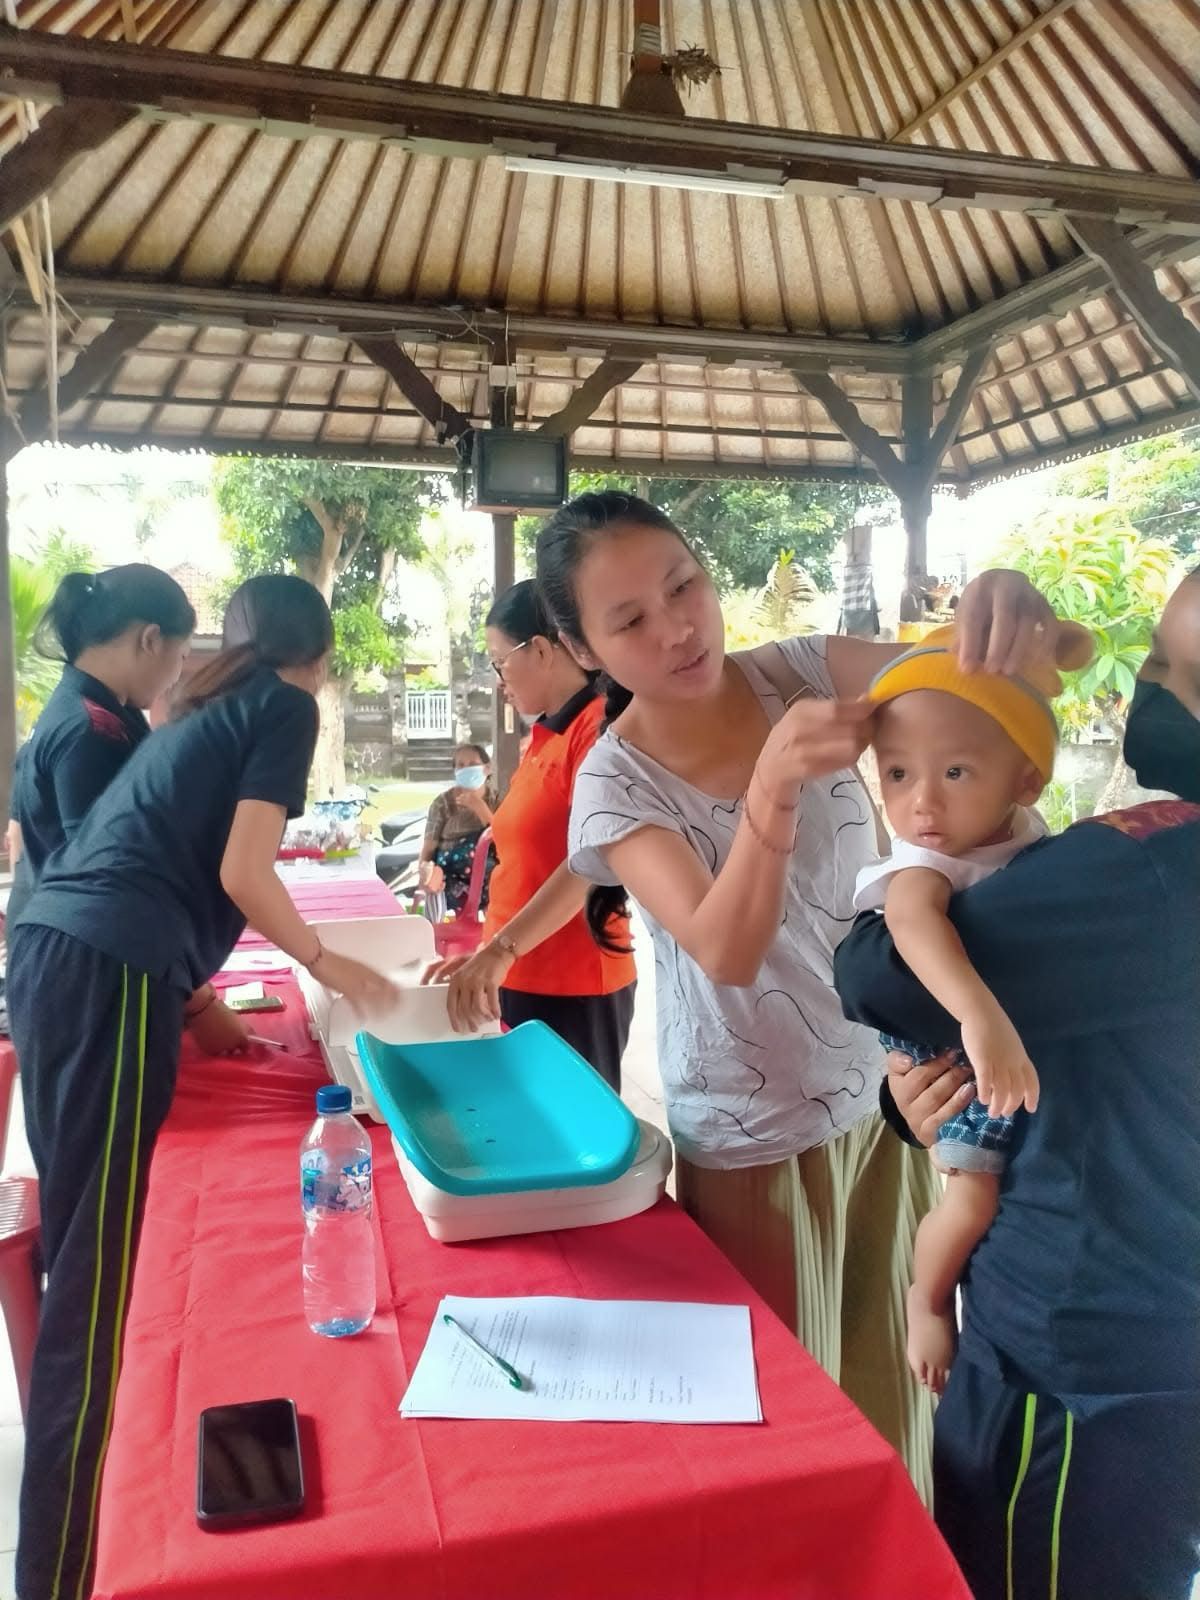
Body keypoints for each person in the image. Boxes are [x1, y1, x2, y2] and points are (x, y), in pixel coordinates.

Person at [524, 489, 1064, 1493]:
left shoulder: (803, 670)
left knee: (897, 1399)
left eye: (683, 585)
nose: (677, 627)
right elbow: (724, 947)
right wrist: (770, 786)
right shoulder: (614, 782)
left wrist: (996, 613)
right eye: (630, 620)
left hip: (884, 1099)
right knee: (795, 1433)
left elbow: (953, 681)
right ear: (585, 648)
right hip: (752, 1139)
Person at [5, 574, 397, 1600]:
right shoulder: (284, 705)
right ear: (318, 657)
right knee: (96, 1286)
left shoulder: (202, 704)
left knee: (89, 1259)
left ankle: (66, 1545)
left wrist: (199, 1000)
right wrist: (331, 963)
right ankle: (61, 1572)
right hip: (108, 972)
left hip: (63, 960)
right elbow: (244, 871)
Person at [833, 568, 1200, 1600]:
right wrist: (921, 1098)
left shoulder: (1151, 869)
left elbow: (877, 973)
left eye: (1179, 675)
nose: (1149, 688)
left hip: (1076, 1352)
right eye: (1157, 659)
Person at [852, 622, 1090, 1394]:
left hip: (994, 1040)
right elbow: (912, 923)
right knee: (973, 1194)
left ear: (1026, 781)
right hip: (953, 1051)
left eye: (955, 771)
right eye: (896, 773)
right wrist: (980, 1015)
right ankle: (927, 1302)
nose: (921, 802)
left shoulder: (1021, 838)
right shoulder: (928, 861)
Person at [427, 579, 636, 1091]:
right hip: (523, 972)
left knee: (572, 1129)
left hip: (574, 982)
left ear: (541, 650)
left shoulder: (598, 731)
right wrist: (488, 954)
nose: (499, 679)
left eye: (499, 662)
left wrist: (500, 951)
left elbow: (592, 861)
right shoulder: (546, 735)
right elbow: (525, 863)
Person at [7, 565, 195, 925]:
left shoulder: (88, 709)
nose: (176, 677)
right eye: (183, 657)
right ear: (151, 640)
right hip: (75, 944)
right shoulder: (90, 729)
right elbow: (104, 875)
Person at [417, 742, 496, 917]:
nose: (466, 769)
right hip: (449, 870)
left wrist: (480, 808)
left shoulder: (497, 800)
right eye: (461, 765)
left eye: (473, 764)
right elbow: (429, 847)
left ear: (487, 768)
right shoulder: (443, 803)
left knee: (488, 856)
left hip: (487, 872)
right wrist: (424, 871)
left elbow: (503, 837)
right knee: (439, 877)